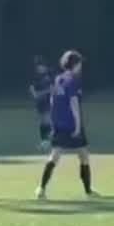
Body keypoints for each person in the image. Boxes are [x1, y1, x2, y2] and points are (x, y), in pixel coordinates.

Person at [36, 50, 98, 200]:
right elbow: (73, 103)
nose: (81, 66)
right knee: (83, 156)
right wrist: (77, 125)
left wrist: (54, 121)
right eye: (79, 63)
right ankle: (88, 191)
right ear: (75, 64)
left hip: (59, 123)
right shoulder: (73, 80)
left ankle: (41, 189)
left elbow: (53, 100)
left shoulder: (59, 79)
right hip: (71, 123)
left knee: (55, 156)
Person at [29, 56, 54, 149]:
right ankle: (44, 141)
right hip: (41, 102)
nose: (38, 68)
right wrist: (36, 95)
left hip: (49, 101)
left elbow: (53, 88)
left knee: (48, 120)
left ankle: (49, 140)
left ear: (44, 66)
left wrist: (44, 93)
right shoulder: (36, 76)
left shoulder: (50, 74)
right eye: (37, 67)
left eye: (40, 66)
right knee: (43, 121)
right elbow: (32, 88)